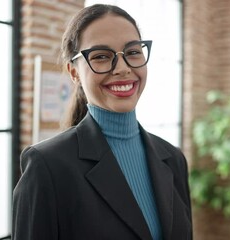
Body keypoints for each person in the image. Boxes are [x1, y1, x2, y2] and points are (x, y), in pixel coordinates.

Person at [12, 4, 192, 240]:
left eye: (133, 52)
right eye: (101, 56)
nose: (123, 68)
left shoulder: (173, 159)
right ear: (74, 72)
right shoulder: (47, 167)